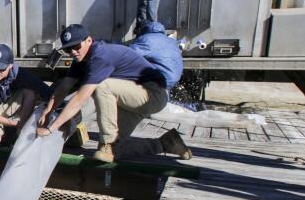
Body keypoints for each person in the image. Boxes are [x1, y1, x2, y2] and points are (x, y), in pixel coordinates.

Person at [36, 24, 190, 163]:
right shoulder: (81, 59)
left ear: (89, 40)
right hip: (132, 95)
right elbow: (63, 87)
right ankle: (166, 143)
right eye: (68, 49)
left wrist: (51, 128)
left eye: (77, 46)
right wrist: (47, 110)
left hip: (153, 94)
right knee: (113, 152)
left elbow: (79, 99)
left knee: (102, 86)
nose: (74, 52)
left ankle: (107, 142)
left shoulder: (100, 56)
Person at [0, 44, 50, 146]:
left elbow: (46, 91)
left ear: (11, 65)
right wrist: (13, 123)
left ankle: (20, 130)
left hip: (1, 108)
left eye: (1, 68)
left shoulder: (19, 73)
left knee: (30, 92)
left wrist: (48, 111)